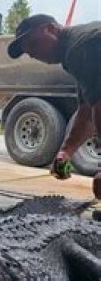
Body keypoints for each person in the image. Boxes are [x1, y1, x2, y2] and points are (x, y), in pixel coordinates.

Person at [7, 14, 100, 200]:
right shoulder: (77, 48)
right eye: (27, 51)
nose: (31, 53)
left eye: (32, 43)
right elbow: (86, 112)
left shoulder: (82, 46)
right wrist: (66, 151)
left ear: (51, 29)